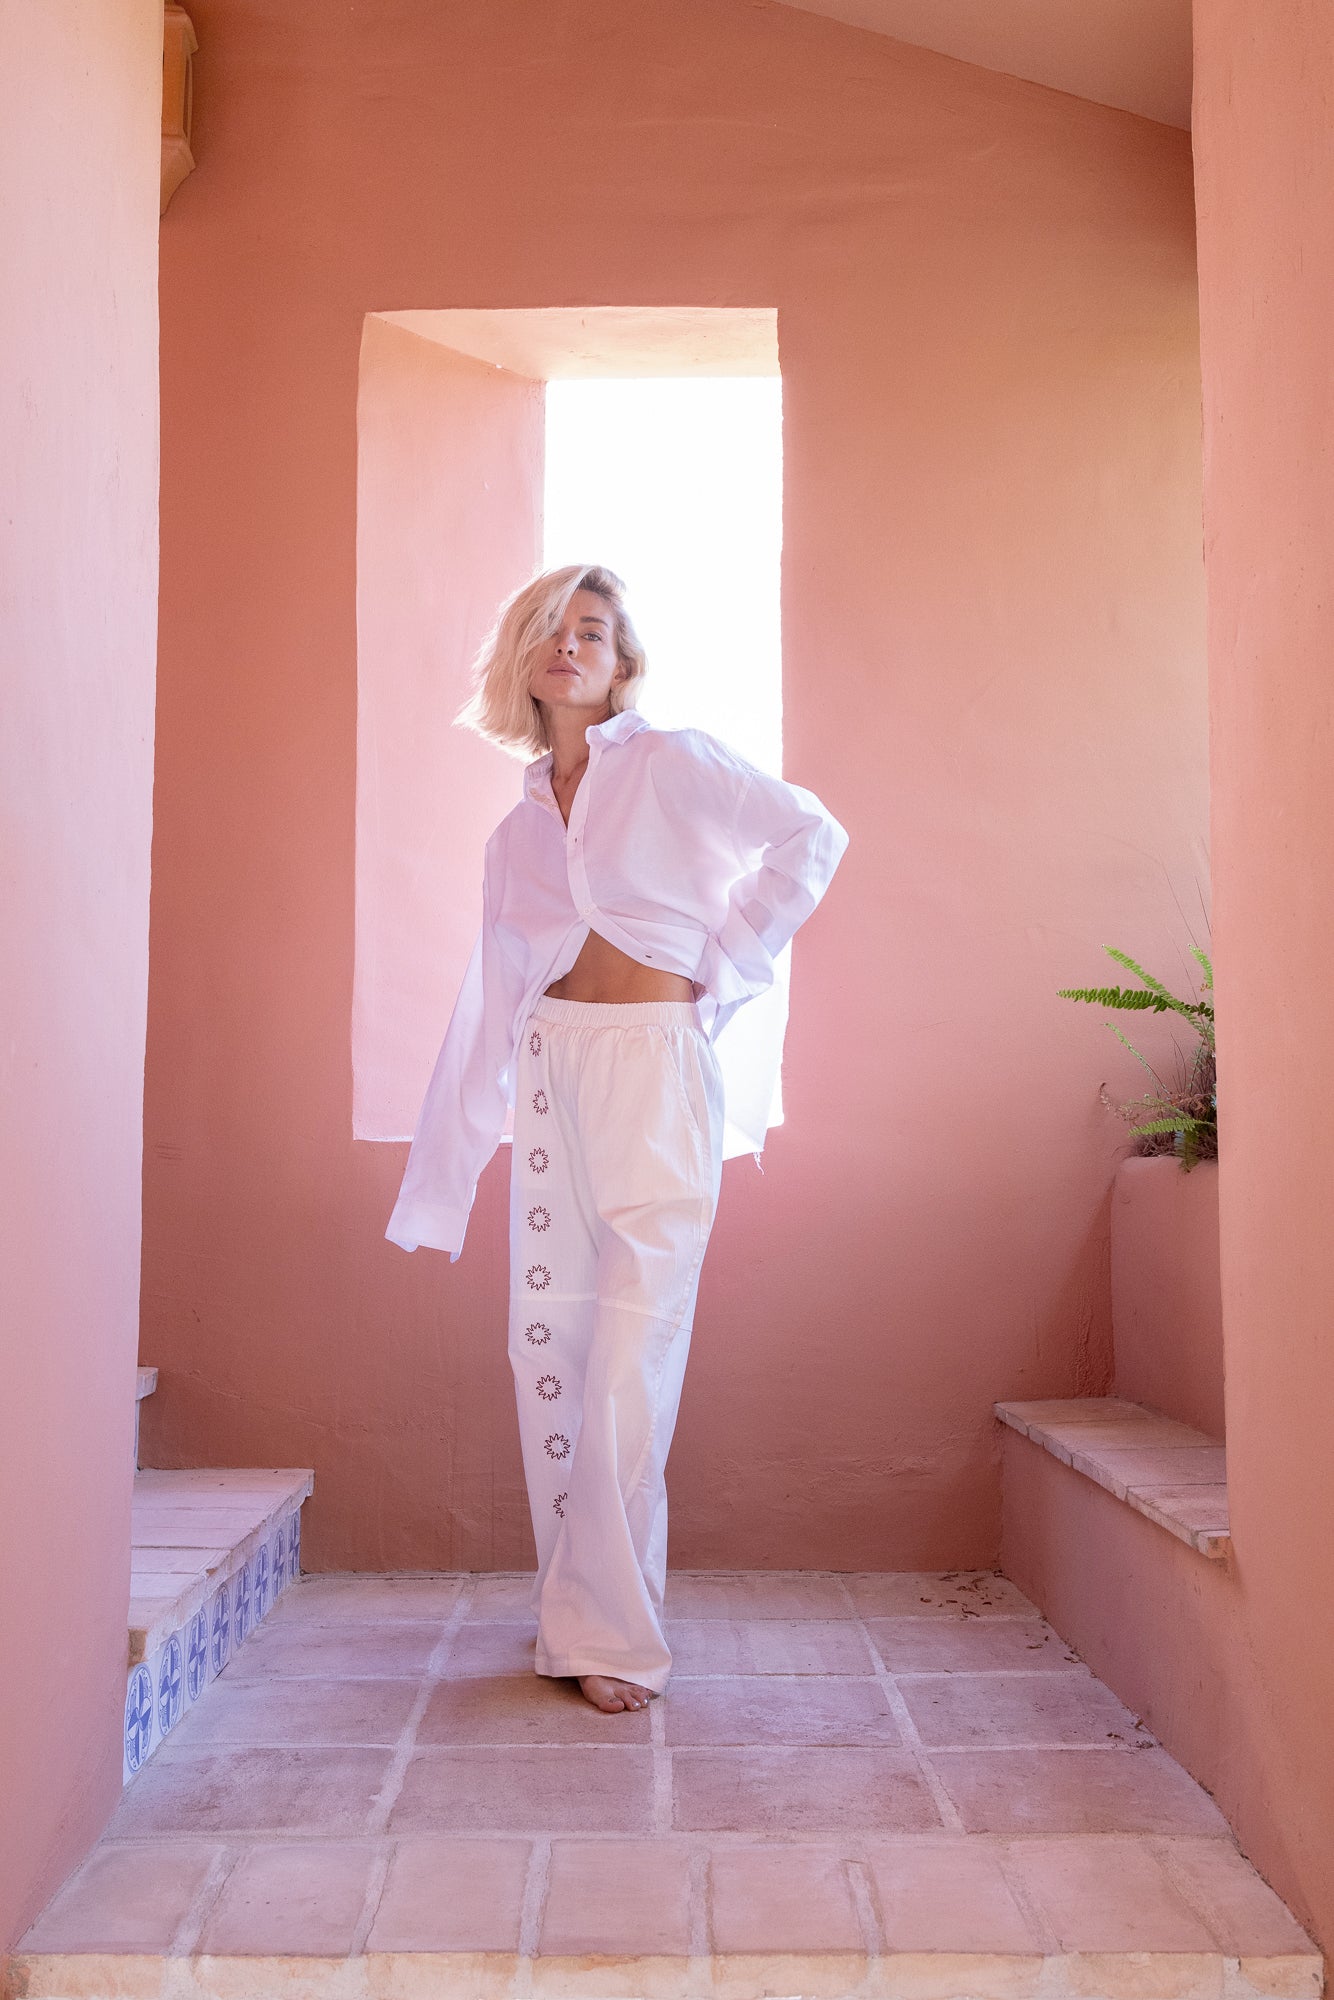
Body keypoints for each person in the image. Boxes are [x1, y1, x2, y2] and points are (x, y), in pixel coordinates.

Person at [385, 563, 848, 1714]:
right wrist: (445, 1176)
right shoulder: (516, 830)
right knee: (551, 1349)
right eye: (551, 627)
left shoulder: (675, 762)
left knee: (632, 1357)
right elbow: (487, 1000)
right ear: (523, 657)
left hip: (654, 1064)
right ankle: (578, 1615)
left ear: (622, 660)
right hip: (553, 1071)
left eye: (592, 630)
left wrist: (718, 966)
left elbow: (809, 834)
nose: (570, 644)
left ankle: (613, 1634)